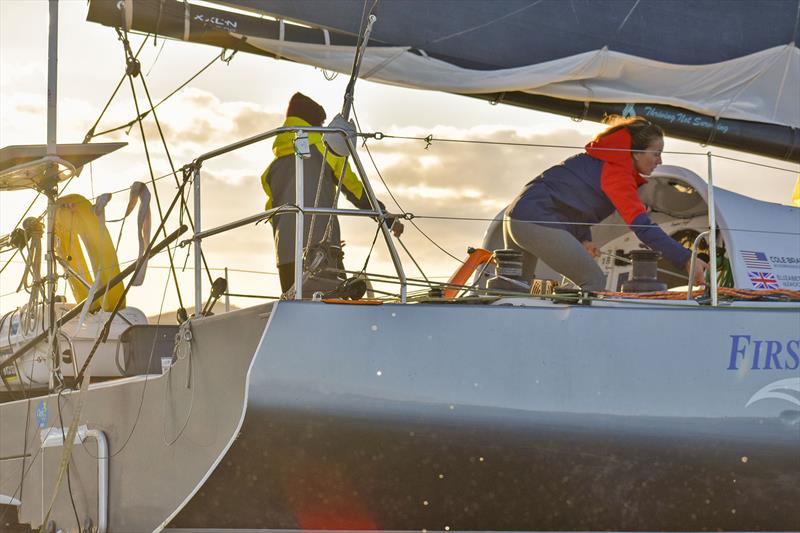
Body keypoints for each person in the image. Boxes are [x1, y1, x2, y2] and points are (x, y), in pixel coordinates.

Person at [503, 116, 708, 291]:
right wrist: (685, 259)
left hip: (517, 217)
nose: (660, 161)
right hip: (535, 219)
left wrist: (584, 239)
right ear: (636, 152)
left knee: (515, 290)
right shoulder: (617, 172)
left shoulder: (601, 162)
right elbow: (642, 227)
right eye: (656, 153)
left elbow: (570, 199)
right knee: (593, 282)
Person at [261, 92, 403, 293]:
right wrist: (386, 217)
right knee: (337, 304)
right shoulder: (324, 148)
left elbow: (271, 212)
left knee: (297, 308)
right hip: (319, 253)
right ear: (315, 122)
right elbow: (354, 189)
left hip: (284, 256)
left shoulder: (271, 169)